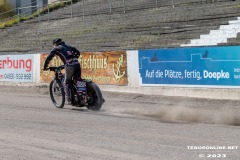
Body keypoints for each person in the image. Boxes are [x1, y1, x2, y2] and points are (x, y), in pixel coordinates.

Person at [43, 38, 81, 105]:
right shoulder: (68, 46)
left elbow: (49, 57)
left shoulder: (57, 48)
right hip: (77, 64)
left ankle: (69, 100)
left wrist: (45, 66)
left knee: (66, 82)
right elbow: (78, 53)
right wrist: (73, 60)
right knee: (77, 80)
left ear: (55, 44)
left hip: (69, 66)